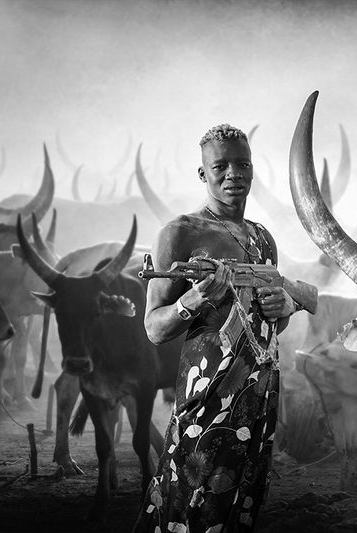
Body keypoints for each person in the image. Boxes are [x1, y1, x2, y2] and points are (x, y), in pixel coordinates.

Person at [134, 124, 313, 532]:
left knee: (243, 504)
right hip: (207, 398)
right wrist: (191, 302)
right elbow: (154, 329)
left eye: (243, 164)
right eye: (221, 166)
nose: (233, 174)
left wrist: (284, 306)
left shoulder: (262, 238)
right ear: (203, 175)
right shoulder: (181, 232)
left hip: (260, 394)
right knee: (189, 498)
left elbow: (268, 324)